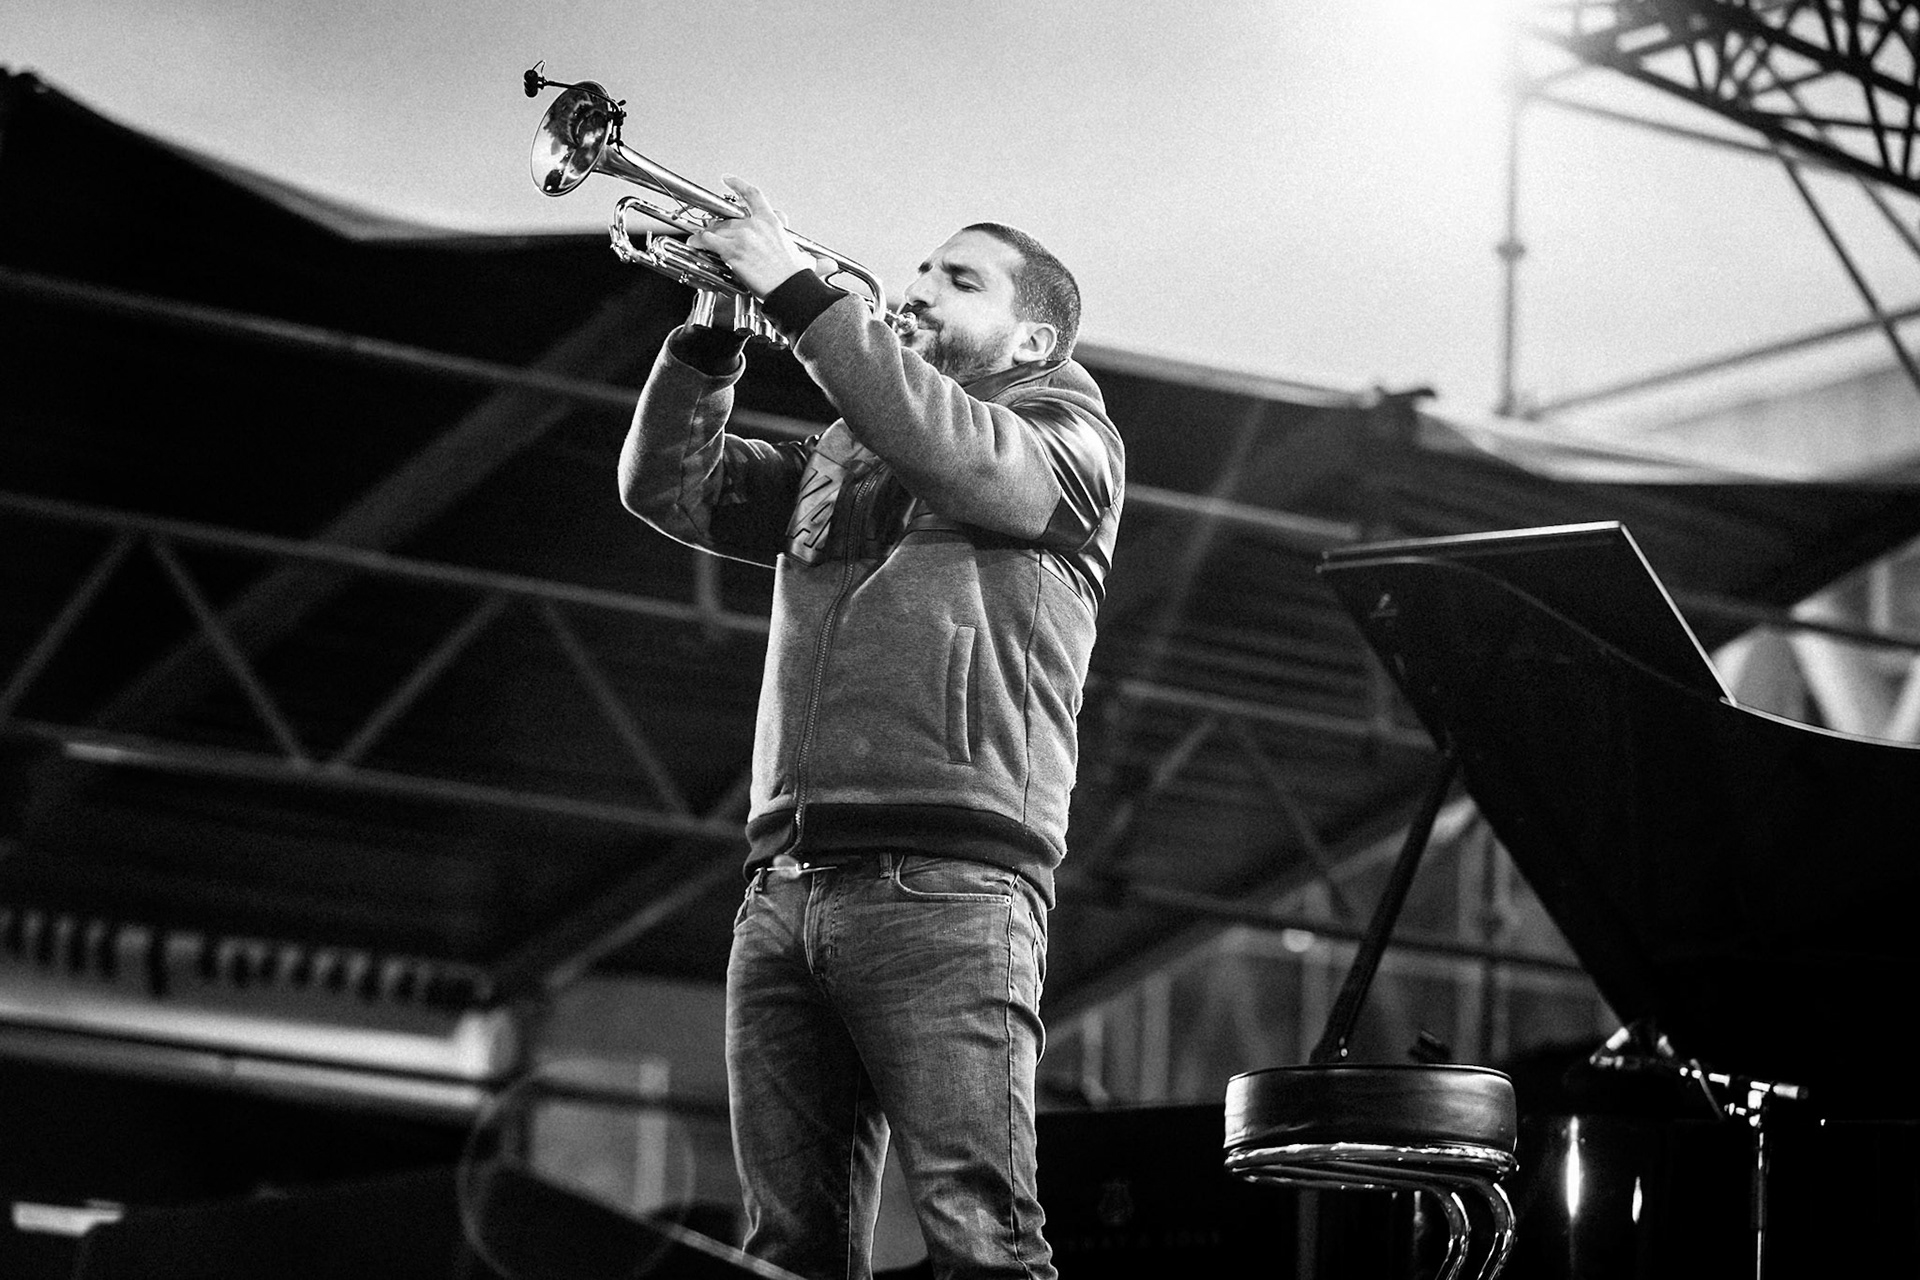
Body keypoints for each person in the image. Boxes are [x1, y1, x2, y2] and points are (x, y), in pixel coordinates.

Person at [618, 176, 1123, 1280]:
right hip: (787, 879)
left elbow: (960, 450)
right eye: (922, 269)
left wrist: (797, 294)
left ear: (1032, 332)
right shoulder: (850, 450)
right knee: (786, 1250)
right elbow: (668, 488)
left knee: (980, 1237)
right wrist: (713, 330)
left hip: (949, 883)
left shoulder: (1069, 443)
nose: (919, 287)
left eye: (959, 277)